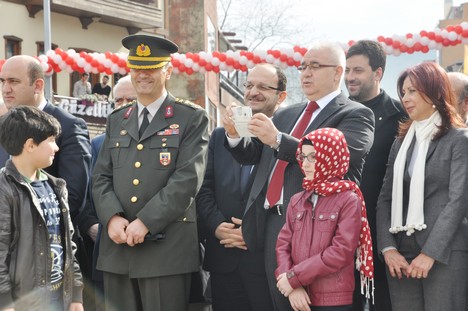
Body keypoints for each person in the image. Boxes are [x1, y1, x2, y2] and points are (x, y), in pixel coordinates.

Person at [223, 41, 375, 311]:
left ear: (338, 73)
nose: (305, 73)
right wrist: (234, 135)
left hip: (317, 227)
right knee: (278, 301)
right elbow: (253, 156)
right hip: (271, 224)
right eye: (303, 66)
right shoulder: (287, 114)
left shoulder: (355, 114)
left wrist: (279, 140)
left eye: (315, 66)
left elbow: (342, 159)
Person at [92, 34, 209, 311]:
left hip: (165, 251)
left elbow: (187, 179)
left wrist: (146, 221)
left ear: (167, 71)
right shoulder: (116, 120)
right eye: (136, 69)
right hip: (118, 249)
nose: (143, 75)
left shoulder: (190, 118)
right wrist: (111, 218)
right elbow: (101, 177)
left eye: (152, 68)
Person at [0, 54, 93, 307]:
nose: (6, 89)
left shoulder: (69, 126)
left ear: (38, 85)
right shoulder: (2, 125)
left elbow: (73, 197)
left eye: (13, 81)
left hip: (50, 270)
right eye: (2, 81)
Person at [376, 62, 468, 311]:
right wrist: (387, 248)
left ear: (436, 92)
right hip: (400, 254)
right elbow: (385, 198)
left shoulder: (459, 139)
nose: (406, 98)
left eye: (413, 91)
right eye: (403, 92)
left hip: (443, 253)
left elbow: (459, 201)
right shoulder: (401, 142)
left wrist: (430, 253)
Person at [196, 63, 287, 311]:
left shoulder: (286, 138)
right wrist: (216, 227)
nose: (253, 92)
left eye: (262, 87)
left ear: (281, 96)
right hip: (224, 256)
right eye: (248, 85)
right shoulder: (221, 135)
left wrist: (251, 234)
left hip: (264, 260)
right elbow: (204, 188)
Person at [276, 128, 374, 311]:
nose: (305, 164)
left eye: (313, 157)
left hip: (334, 300)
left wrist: (294, 278)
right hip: (297, 296)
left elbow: (341, 251)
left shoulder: (348, 199)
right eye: (303, 157)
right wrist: (291, 284)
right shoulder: (297, 200)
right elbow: (283, 244)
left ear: (331, 156)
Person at [345, 40, 407, 311]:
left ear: (378, 73)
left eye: (357, 70)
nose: (350, 78)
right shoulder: (337, 114)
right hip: (338, 230)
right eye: (347, 70)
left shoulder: (402, 116)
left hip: (385, 233)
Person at [77, 74, 137, 311]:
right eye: (118, 101)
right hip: (109, 251)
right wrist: (93, 224)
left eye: (129, 100)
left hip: (152, 250)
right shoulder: (98, 144)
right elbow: (89, 189)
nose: (122, 106)